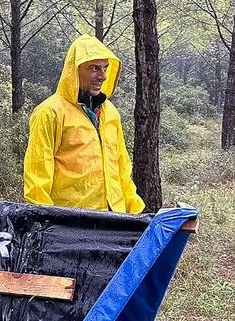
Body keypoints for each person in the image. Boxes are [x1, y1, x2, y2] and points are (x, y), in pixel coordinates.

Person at [23, 35, 145, 213]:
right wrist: (47, 225)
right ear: (75, 70)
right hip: (72, 224)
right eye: (94, 68)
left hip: (114, 220)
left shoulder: (110, 112)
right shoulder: (50, 112)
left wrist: (135, 212)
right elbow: (37, 177)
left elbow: (122, 168)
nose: (102, 76)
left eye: (105, 68)